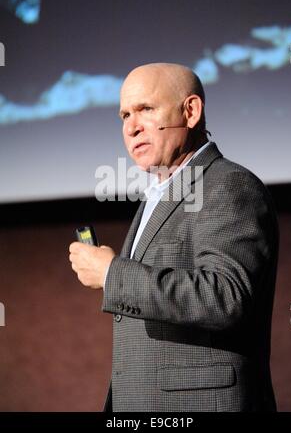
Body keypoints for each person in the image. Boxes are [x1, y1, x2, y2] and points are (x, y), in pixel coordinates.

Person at [69, 63, 279, 412]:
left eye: (145, 110)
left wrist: (111, 274)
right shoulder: (158, 193)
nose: (131, 127)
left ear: (191, 111)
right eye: (124, 115)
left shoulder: (227, 185)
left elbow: (225, 297)